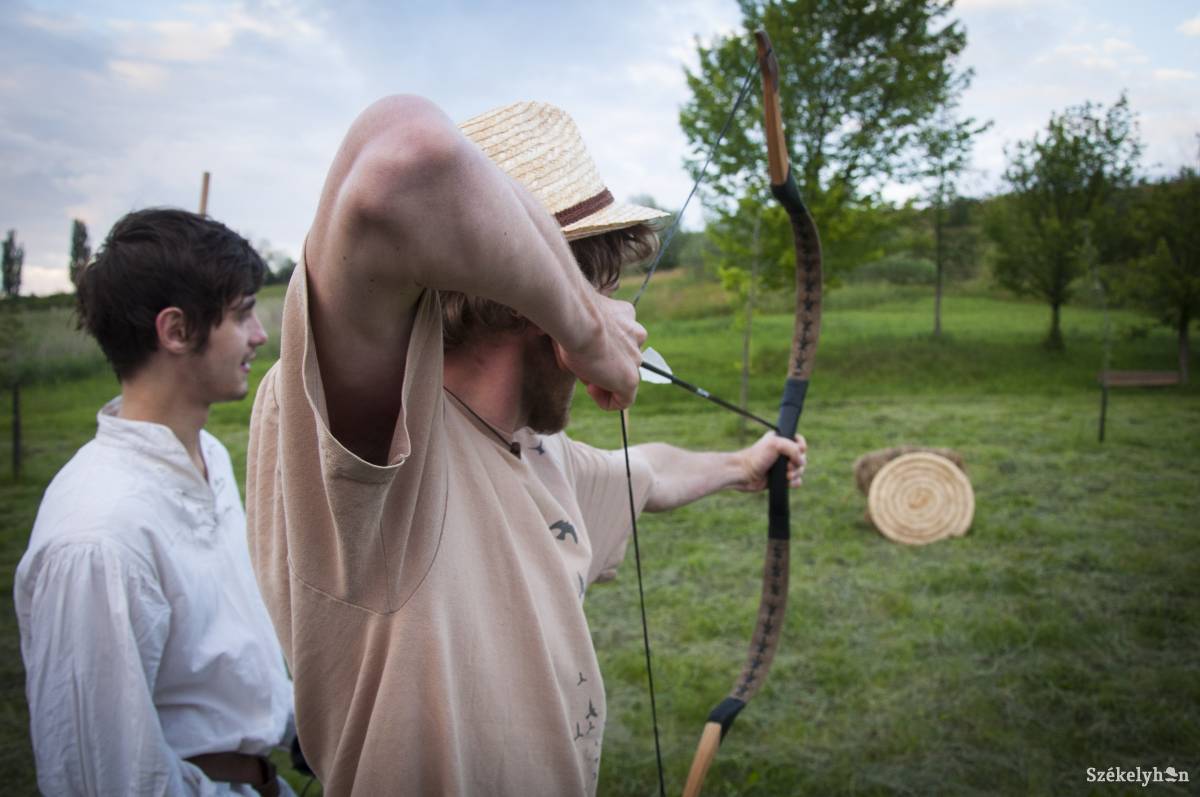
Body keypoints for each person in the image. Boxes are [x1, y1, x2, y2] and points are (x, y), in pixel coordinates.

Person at [246, 97, 807, 795]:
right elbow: (402, 157)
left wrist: (742, 464)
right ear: (528, 301)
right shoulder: (380, 455)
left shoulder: (535, 453)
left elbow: (645, 472)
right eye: (601, 288)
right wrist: (589, 332)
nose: (619, 314)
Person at [14, 209, 296, 796]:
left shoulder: (208, 457)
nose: (259, 335)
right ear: (176, 331)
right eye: (242, 313)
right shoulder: (98, 537)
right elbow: (104, 778)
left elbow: (222, 653)